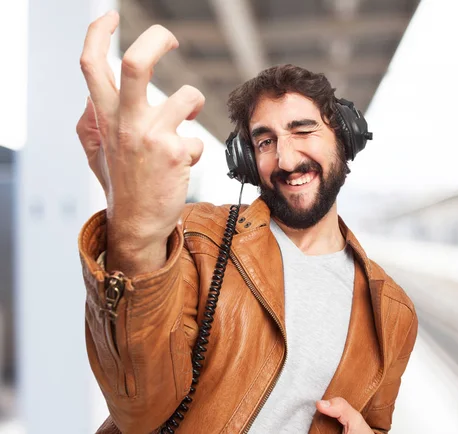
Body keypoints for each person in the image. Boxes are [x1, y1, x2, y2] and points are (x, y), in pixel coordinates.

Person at [76, 10, 418, 434]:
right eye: (265, 141)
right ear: (245, 161)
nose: (286, 159)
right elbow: (139, 406)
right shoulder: (196, 239)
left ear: (344, 138)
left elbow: (376, 424)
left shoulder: (392, 313)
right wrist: (134, 230)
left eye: (303, 130)